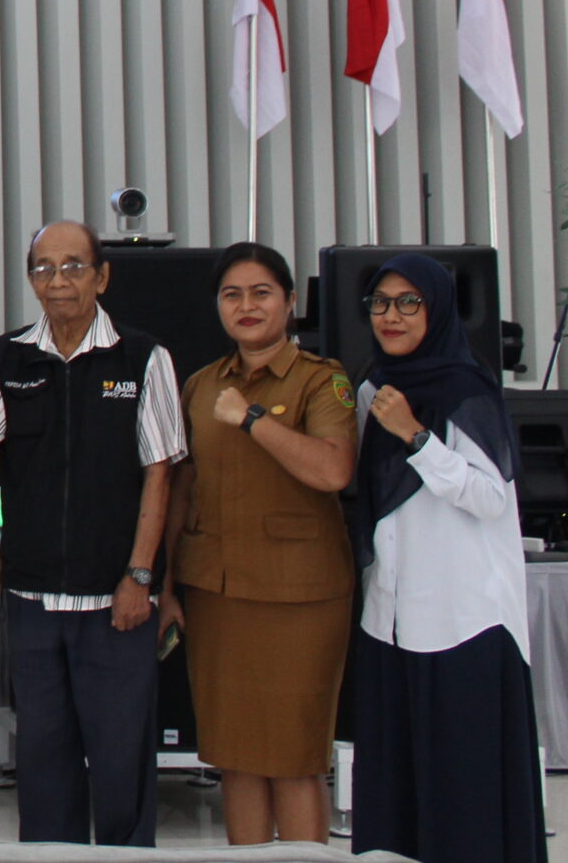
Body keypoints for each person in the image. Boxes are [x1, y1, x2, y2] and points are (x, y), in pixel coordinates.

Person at [0, 220, 183, 847]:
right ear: (31, 280)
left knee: (120, 765)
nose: (58, 281)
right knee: (44, 769)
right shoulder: (5, 356)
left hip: (116, 602)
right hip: (32, 600)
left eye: (73, 266)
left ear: (102, 277)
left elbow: (159, 474)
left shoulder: (143, 358)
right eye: (43, 268)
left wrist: (141, 576)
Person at [157, 242, 357, 847]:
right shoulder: (201, 385)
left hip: (301, 597)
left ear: (290, 302)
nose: (246, 306)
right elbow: (182, 489)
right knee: (234, 755)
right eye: (232, 295)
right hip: (217, 592)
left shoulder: (322, 380)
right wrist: (165, 585)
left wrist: (252, 418)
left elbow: (332, 470)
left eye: (261, 293)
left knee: (294, 757)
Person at [347, 253, 544, 863]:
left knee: (465, 803)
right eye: (381, 303)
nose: (392, 316)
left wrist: (417, 437)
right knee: (397, 803)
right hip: (389, 620)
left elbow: (490, 497)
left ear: (436, 310)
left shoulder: (467, 389)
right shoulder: (372, 387)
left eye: (409, 302)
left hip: (464, 625)